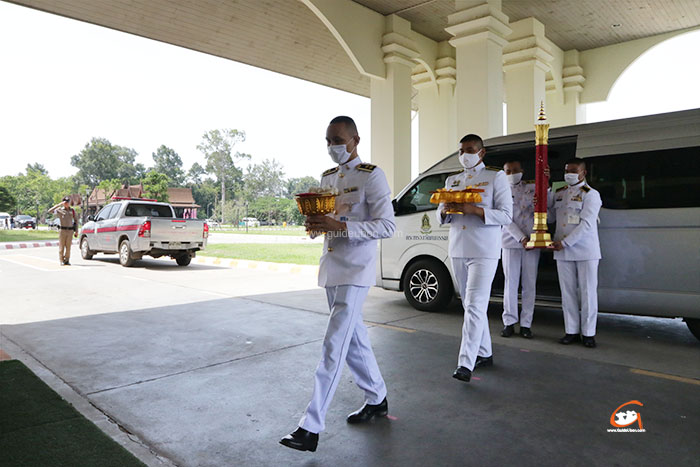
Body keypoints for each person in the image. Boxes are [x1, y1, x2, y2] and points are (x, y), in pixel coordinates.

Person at [280, 116, 395, 452]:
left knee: (334, 346)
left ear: (355, 140)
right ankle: (377, 397)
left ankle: (310, 427)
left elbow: (386, 226)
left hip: (356, 271)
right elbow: (327, 221)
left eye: (338, 140)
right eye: (328, 140)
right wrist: (317, 225)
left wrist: (339, 225)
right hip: (332, 268)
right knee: (355, 340)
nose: (332, 146)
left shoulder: (372, 176)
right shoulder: (328, 177)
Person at [436, 134, 512, 383]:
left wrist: (476, 210)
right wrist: (446, 211)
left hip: (484, 250)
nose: (464, 154)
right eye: (461, 150)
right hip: (458, 247)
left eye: (469, 150)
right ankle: (485, 352)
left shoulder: (495, 177)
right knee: (469, 305)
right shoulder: (452, 179)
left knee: (476, 304)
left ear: (481, 152)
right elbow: (441, 216)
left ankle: (465, 363)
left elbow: (506, 216)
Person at [548, 158, 602, 348]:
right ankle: (571, 330)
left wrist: (565, 243)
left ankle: (588, 333)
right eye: (566, 170)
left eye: (573, 170)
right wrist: (545, 195)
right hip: (562, 250)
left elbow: (587, 224)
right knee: (567, 292)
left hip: (585, 250)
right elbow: (551, 217)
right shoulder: (559, 192)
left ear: (583, 173)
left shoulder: (591, 194)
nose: (569, 173)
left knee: (588, 293)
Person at [500, 160, 541, 339]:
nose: (512, 174)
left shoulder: (533, 188)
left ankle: (526, 324)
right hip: (511, 241)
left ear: (522, 171)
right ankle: (509, 322)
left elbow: (542, 210)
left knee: (529, 284)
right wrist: (521, 237)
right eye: (508, 171)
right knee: (511, 284)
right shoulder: (500, 190)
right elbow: (505, 218)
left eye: (515, 170)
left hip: (532, 241)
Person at [48, 196, 79, 266]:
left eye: (67, 202)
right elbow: (49, 211)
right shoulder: (60, 210)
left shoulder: (72, 211)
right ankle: (61, 260)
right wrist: (59, 205)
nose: (66, 203)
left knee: (68, 247)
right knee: (61, 246)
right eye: (65, 202)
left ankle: (67, 260)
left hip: (70, 230)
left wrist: (76, 231)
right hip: (62, 230)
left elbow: (76, 221)